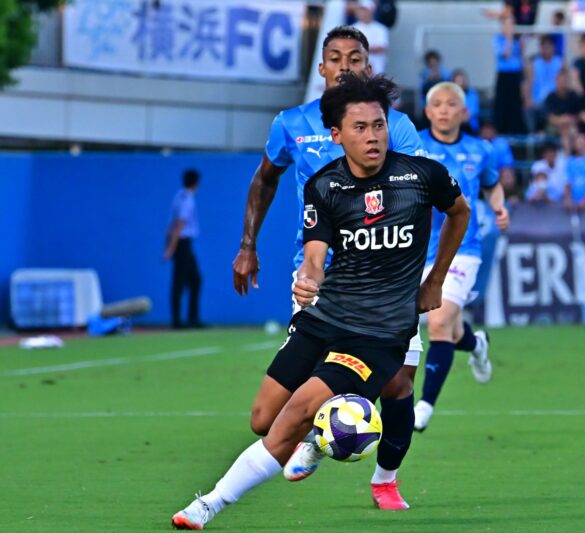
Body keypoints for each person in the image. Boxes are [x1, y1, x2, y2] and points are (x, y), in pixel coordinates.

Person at [171, 73, 471, 530]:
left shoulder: (421, 175)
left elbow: (460, 212)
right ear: (336, 135)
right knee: (262, 419)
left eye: (379, 125)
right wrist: (308, 281)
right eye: (360, 128)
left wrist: (435, 280)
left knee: (295, 412)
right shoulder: (325, 186)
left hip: (380, 332)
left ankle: (208, 504)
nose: (372, 136)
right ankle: (316, 430)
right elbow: (314, 256)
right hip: (325, 316)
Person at [231, 26, 424, 510]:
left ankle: (385, 479)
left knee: (398, 382)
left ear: (367, 67)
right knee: (264, 420)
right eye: (334, 57)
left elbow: (418, 195)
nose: (344, 66)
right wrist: (247, 244)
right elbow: (264, 179)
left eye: (354, 58)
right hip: (317, 280)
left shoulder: (393, 126)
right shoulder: (291, 123)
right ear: (321, 69)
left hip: (384, 282)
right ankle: (320, 436)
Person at [412, 82, 509, 432]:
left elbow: (492, 183)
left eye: (451, 104)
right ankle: (476, 342)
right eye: (436, 104)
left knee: (437, 323)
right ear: (427, 111)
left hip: (462, 249)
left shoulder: (480, 149)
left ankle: (424, 405)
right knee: (447, 327)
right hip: (418, 249)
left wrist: (499, 207)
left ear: (463, 112)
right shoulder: (414, 145)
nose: (443, 109)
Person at [163, 169, 202, 329]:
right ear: (195, 183)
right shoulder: (187, 200)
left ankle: (191, 318)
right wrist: (171, 248)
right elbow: (179, 224)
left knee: (195, 280)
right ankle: (178, 321)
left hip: (182, 243)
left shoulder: (179, 196)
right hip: (182, 243)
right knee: (180, 282)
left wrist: (168, 244)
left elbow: (171, 224)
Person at [492, 14, 526, 133]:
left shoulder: (517, 40)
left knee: (515, 105)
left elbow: (520, 56)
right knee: (502, 105)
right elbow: (505, 55)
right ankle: (500, 130)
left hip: (515, 76)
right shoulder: (498, 39)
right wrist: (509, 38)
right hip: (504, 76)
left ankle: (515, 131)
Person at [524, 35, 563, 133]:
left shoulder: (560, 62)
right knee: (528, 107)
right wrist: (528, 99)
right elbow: (528, 82)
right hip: (538, 101)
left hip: (555, 100)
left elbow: (564, 82)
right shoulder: (533, 63)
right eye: (543, 46)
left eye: (549, 46)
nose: (546, 49)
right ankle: (533, 135)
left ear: (553, 47)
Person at [544, 69, 581, 152]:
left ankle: (576, 155)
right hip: (555, 125)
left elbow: (579, 114)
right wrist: (562, 120)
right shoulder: (551, 97)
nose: (562, 83)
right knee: (565, 131)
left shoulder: (573, 96)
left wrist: (570, 120)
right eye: (560, 81)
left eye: (564, 80)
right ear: (556, 81)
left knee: (572, 131)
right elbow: (549, 117)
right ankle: (568, 156)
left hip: (571, 124)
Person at [353, 1, 389, 75]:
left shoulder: (381, 29)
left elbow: (382, 47)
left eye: (365, 10)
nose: (363, 13)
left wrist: (360, 48)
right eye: (361, 10)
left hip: (376, 68)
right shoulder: (352, 28)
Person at [452, 69, 481, 134]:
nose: (461, 83)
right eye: (458, 81)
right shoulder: (449, 96)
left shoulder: (472, 94)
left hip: (469, 128)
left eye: (462, 80)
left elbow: (467, 117)